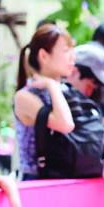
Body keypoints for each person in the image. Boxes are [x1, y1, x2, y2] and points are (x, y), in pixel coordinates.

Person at [13, 25, 77, 180]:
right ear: (43, 56)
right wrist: (52, 85)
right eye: (65, 51)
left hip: (66, 177)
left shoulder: (65, 90)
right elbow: (65, 125)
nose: (72, 57)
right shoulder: (25, 96)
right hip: (37, 181)